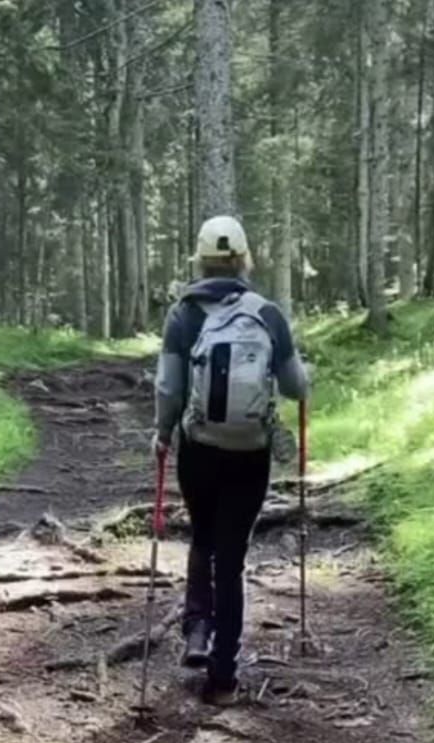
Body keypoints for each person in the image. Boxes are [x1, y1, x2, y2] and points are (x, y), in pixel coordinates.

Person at [153, 215, 309, 706]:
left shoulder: (183, 315)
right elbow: (295, 387)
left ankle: (196, 631)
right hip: (251, 451)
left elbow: (168, 388)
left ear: (200, 259)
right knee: (232, 555)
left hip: (199, 448)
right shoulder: (267, 314)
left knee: (202, 536)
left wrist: (162, 434)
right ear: (244, 259)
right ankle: (223, 676)